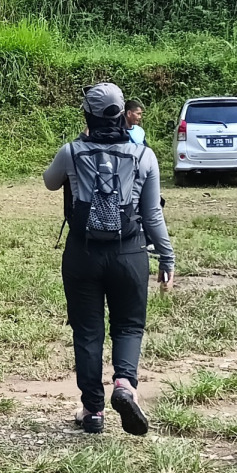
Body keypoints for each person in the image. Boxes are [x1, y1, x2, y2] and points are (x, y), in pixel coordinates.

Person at [43, 83, 175, 437]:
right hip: (130, 252)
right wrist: (167, 257)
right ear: (122, 115)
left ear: (88, 114)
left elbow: (49, 182)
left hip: (82, 253)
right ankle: (124, 386)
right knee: (129, 326)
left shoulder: (71, 152)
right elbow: (152, 216)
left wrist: (79, 147)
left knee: (87, 331)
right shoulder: (144, 155)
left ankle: (93, 411)